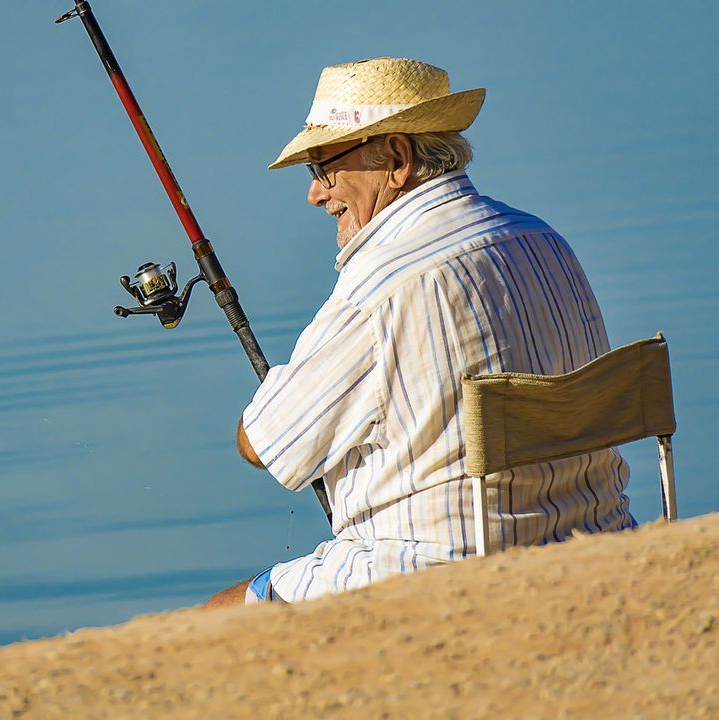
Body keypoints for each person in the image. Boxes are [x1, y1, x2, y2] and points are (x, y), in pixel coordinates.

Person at [205, 57, 634, 609]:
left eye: (323, 168)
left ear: (399, 159)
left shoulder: (379, 285)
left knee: (216, 614)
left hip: (437, 568)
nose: (316, 194)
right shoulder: (544, 239)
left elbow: (263, 443)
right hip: (599, 539)